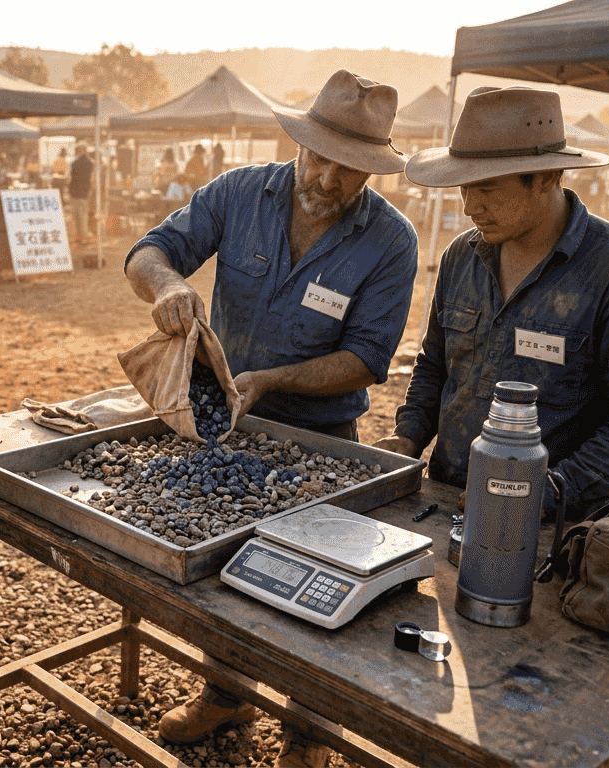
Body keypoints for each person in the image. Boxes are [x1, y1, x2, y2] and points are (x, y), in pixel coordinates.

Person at [126, 69, 418, 768]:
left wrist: (272, 380)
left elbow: (367, 358)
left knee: (314, 587)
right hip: (227, 422)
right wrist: (167, 285)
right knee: (225, 574)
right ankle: (226, 694)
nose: (328, 178)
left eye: (349, 169)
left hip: (321, 439)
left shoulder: (391, 240)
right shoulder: (238, 193)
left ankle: (309, 731)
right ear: (299, 142)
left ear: (373, 169)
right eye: (318, 157)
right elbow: (149, 252)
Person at [375, 85, 609, 525]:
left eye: (486, 188)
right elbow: (435, 363)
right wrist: (409, 435)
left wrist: (545, 493)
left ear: (547, 177)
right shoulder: (462, 256)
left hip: (549, 524)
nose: (469, 206)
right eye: (463, 188)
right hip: (444, 497)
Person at [68, 143, 93, 246]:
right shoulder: (90, 163)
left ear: (78, 151)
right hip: (84, 193)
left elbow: (70, 178)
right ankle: (84, 238)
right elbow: (91, 179)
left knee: (76, 216)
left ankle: (78, 237)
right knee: (83, 216)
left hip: (74, 193)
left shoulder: (74, 163)